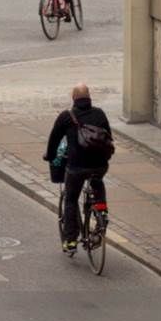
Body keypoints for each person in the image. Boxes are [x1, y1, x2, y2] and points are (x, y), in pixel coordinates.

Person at [45, 83, 115, 253]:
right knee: (97, 181)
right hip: (99, 164)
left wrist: (50, 156)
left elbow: (54, 139)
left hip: (76, 166)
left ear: (73, 98)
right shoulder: (99, 113)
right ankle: (101, 211)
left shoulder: (66, 117)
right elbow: (109, 137)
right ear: (89, 97)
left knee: (70, 199)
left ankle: (70, 240)